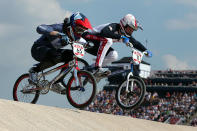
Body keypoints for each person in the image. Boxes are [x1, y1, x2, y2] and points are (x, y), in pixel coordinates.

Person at [29, 12, 93, 93]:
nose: (79, 33)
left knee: (71, 56)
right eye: (79, 29)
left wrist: (87, 45)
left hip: (51, 51)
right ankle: (34, 71)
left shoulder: (76, 36)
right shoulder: (59, 27)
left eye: (82, 31)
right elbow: (39, 28)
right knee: (55, 55)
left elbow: (82, 41)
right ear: (72, 25)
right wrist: (59, 34)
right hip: (37, 49)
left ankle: (57, 82)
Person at [81, 13, 152, 76]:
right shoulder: (114, 27)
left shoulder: (125, 35)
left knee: (114, 55)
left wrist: (145, 50)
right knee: (108, 40)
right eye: (130, 29)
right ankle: (97, 67)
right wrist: (121, 37)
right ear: (124, 25)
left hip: (98, 46)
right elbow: (104, 33)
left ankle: (91, 68)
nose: (131, 32)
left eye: (133, 30)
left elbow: (135, 43)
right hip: (88, 39)